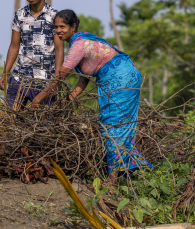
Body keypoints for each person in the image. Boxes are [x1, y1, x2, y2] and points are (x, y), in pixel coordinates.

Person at [31, 9, 152, 181]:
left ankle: (112, 180)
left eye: (63, 26)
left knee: (112, 124)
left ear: (73, 27)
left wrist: (37, 99)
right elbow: (84, 80)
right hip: (121, 76)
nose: (59, 31)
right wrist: (67, 102)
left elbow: (59, 78)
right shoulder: (81, 42)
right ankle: (134, 171)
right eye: (56, 27)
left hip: (121, 78)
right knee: (118, 124)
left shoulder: (78, 46)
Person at [0, 0, 64, 110]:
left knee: (45, 126)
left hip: (45, 81)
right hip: (19, 78)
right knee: (10, 122)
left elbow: (59, 50)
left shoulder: (54, 16)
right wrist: (5, 73)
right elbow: (14, 47)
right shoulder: (19, 15)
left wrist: (57, 79)